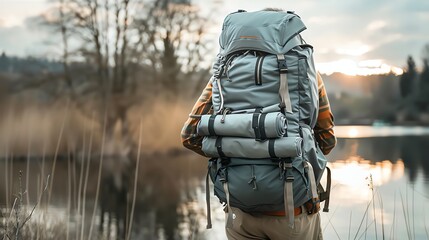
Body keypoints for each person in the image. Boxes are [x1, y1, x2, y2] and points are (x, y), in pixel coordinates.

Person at [181, 9, 336, 240]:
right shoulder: (304, 73)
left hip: (241, 216)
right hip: (292, 212)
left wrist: (232, 151)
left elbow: (190, 135)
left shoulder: (223, 77)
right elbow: (327, 139)